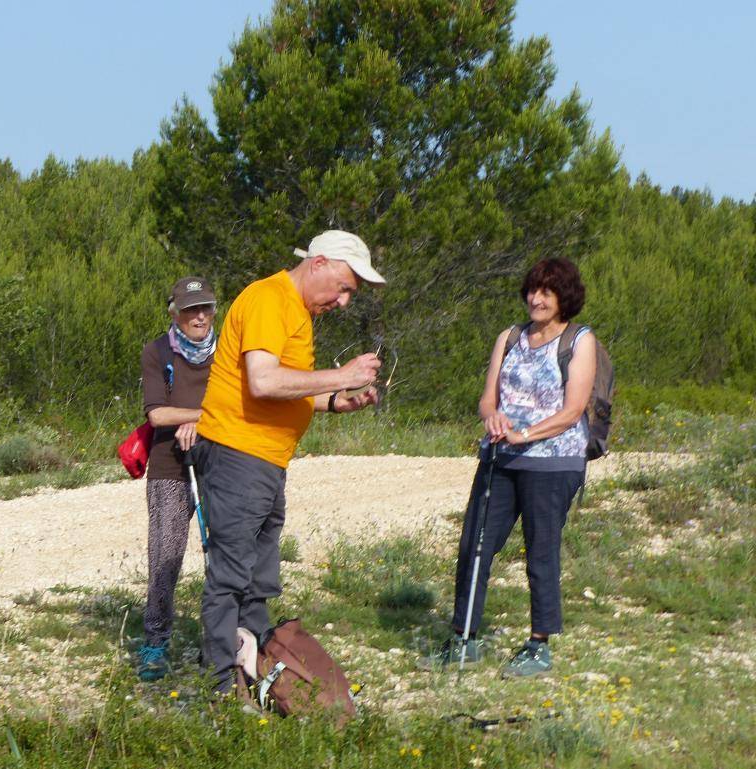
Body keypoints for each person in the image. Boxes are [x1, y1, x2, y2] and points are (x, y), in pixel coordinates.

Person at [191, 230, 385, 693]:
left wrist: (337, 401)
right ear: (318, 263)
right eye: (343, 288)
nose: (342, 302)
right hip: (239, 455)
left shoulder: (295, 310)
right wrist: (342, 374)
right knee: (231, 577)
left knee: (258, 579)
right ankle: (218, 689)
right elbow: (263, 381)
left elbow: (288, 390)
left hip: (265, 461)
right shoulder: (268, 298)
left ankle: (258, 674)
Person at [418, 257, 596, 677]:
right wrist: (492, 418)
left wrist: (526, 433)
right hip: (500, 456)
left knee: (540, 551)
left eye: (547, 291)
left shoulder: (579, 340)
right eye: (533, 290)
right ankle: (463, 638)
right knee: (475, 545)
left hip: (553, 463)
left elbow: (573, 411)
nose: (536, 298)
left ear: (564, 296)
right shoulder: (510, 336)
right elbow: (487, 397)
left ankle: (539, 645)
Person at [135, 276, 218, 682]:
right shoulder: (157, 352)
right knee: (165, 557)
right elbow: (158, 415)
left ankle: (222, 641)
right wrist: (197, 418)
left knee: (223, 554)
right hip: (169, 464)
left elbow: (241, 403)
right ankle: (155, 640)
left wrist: (199, 426)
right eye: (190, 310)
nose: (199, 316)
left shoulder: (231, 352)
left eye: (205, 308)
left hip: (221, 460)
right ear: (175, 314)